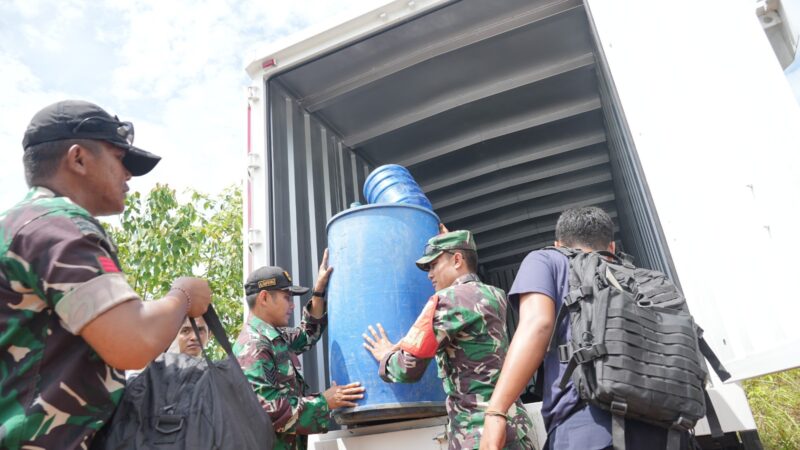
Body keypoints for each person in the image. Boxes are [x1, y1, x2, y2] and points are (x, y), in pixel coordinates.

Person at [0, 100, 212, 449]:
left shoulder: (18, 225)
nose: (128, 174)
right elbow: (132, 342)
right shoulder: (57, 226)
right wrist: (184, 294)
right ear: (78, 158)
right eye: (119, 158)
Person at [480, 206, 684, 450]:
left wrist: (496, 412)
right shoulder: (646, 279)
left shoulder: (547, 259)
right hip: (670, 430)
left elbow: (537, 324)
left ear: (558, 245)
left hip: (589, 428)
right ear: (612, 248)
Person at [363, 230, 535, 450]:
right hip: (513, 425)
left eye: (433, 265)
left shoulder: (448, 300)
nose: (429, 274)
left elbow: (409, 368)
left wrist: (385, 355)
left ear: (456, 260)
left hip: (479, 433)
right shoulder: (494, 294)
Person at [234, 251, 365, 450]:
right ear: (264, 298)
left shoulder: (274, 338)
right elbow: (269, 411)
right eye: (287, 298)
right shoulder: (252, 346)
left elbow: (308, 334)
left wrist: (319, 291)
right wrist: (325, 402)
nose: (292, 306)